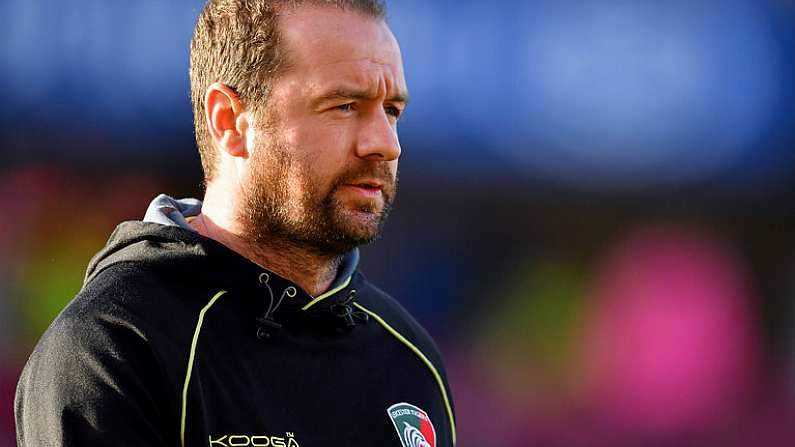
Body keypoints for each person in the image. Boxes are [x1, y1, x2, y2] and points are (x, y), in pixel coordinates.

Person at [14, 1, 456, 446]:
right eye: (343, 105)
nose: (385, 144)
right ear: (230, 122)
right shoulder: (115, 346)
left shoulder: (412, 363)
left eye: (392, 110)